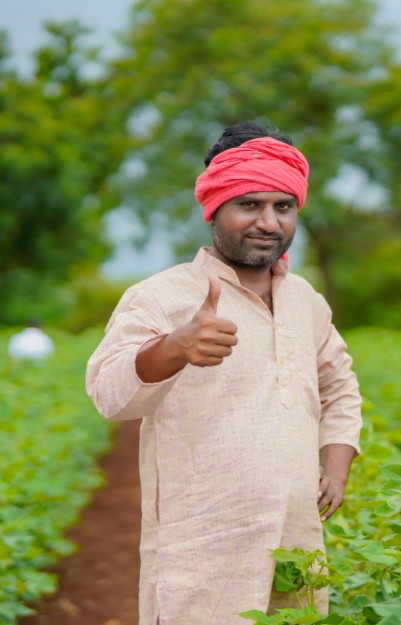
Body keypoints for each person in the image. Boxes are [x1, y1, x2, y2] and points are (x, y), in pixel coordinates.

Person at [86, 121, 363, 625]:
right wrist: (172, 348)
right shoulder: (162, 296)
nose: (268, 222)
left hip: (296, 541)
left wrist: (337, 463)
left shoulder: (306, 300)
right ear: (215, 210)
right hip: (203, 543)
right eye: (249, 205)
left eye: (283, 206)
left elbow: (338, 385)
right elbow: (108, 394)